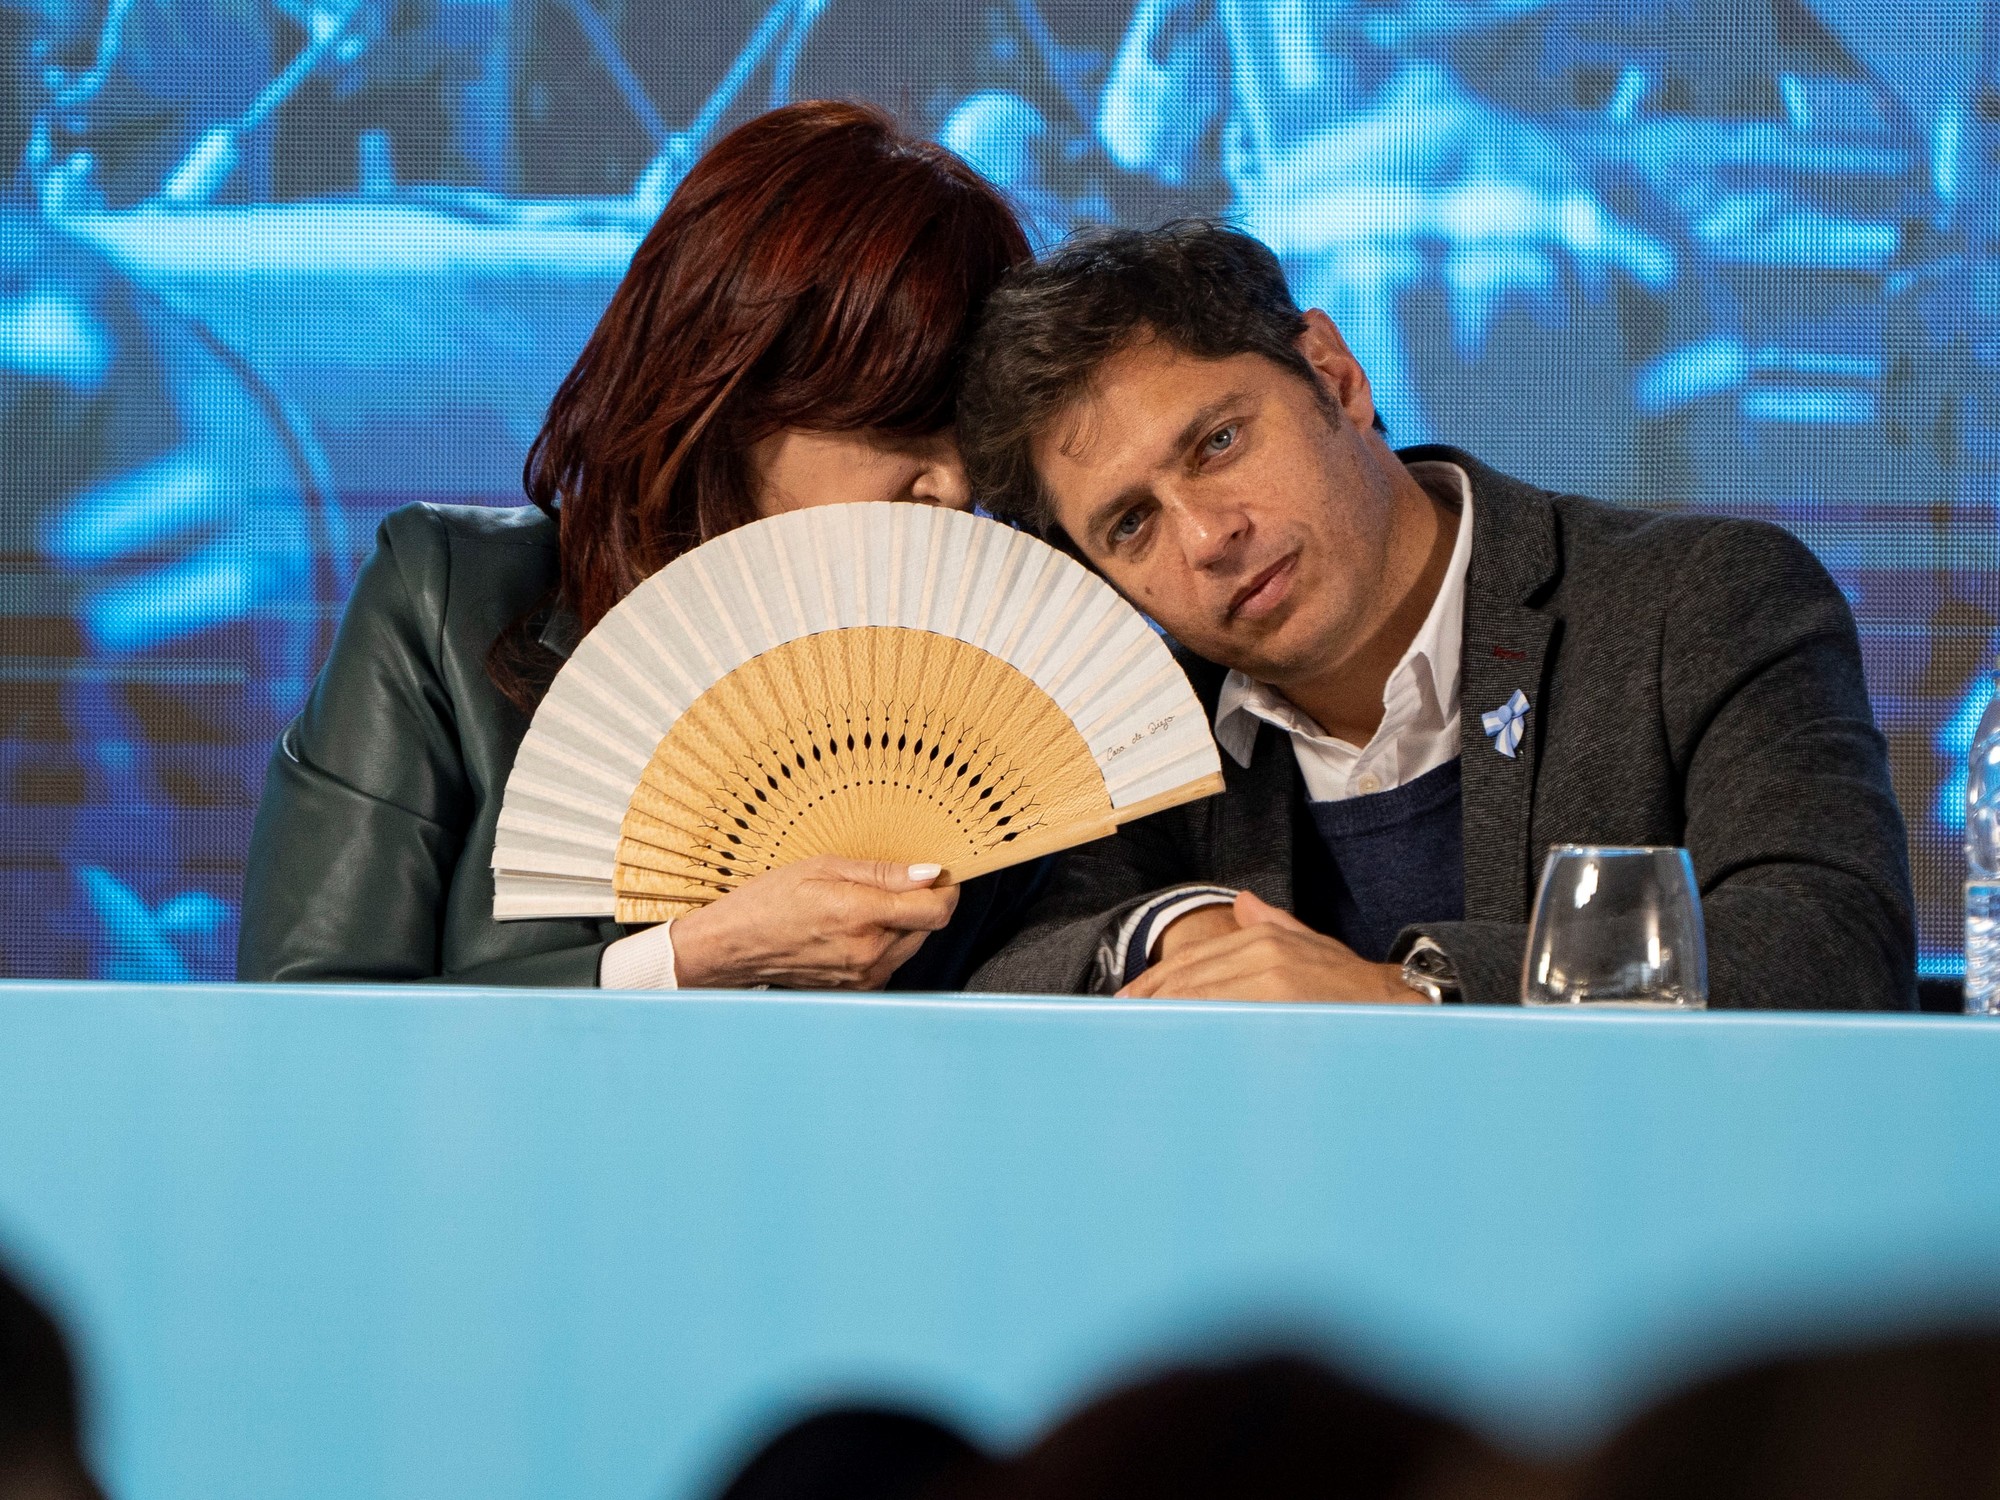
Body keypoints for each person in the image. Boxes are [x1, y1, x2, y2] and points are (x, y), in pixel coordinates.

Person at [955, 220, 1915, 1009]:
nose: (1207, 536)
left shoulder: (1704, 598)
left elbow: (1831, 946)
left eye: (1219, 442)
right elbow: (1005, 967)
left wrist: (1410, 993)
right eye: (1131, 524)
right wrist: (1168, 926)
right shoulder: (1140, 736)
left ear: (1334, 376)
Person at [238, 101, 1042, 990]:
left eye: (971, 437)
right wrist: (689, 960)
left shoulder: (1009, 687)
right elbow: (306, 1019)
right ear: (737, 389)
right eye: (900, 423)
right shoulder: (448, 605)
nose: (952, 487)